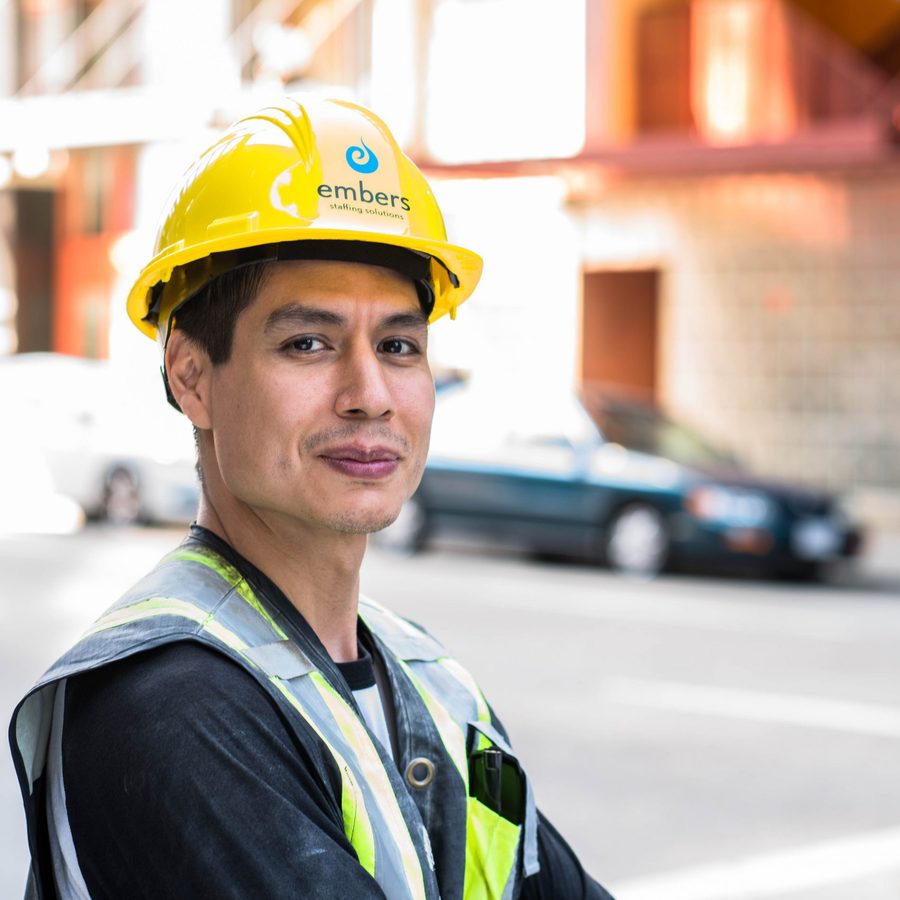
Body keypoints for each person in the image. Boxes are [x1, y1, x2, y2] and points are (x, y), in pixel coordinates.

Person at [10, 96, 614, 900]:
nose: (370, 395)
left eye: (399, 345)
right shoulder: (167, 707)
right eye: (308, 343)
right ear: (192, 377)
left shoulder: (432, 683)